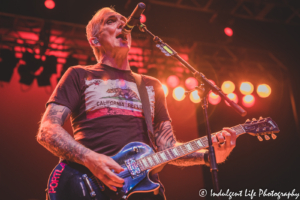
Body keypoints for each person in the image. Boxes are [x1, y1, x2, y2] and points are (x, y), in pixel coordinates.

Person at [37, 7, 237, 200]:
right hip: (89, 187)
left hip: (144, 193)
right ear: (95, 40)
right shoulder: (79, 75)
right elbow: (47, 130)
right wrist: (90, 159)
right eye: (111, 21)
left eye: (124, 22)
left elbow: (167, 147)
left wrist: (208, 156)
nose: (122, 25)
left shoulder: (151, 85)